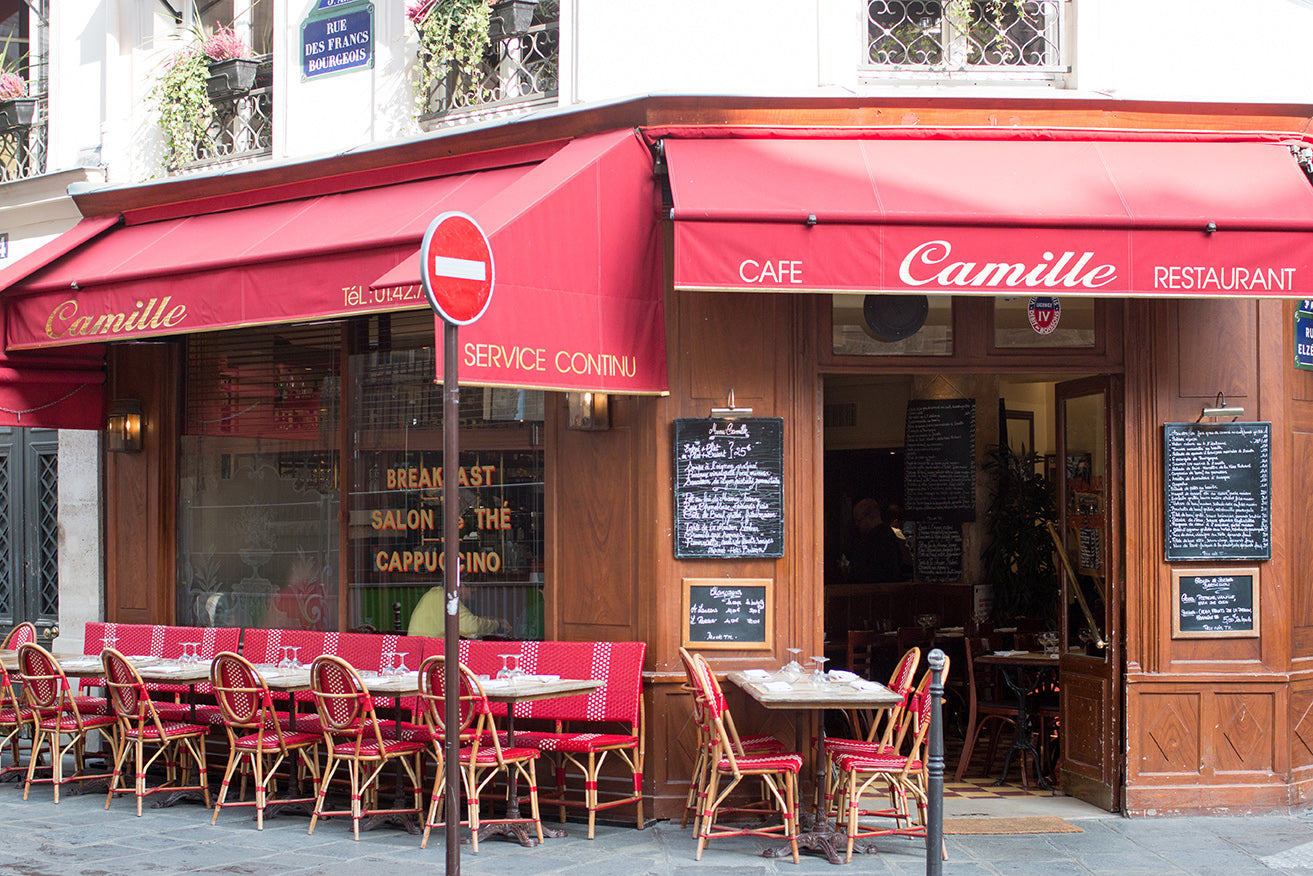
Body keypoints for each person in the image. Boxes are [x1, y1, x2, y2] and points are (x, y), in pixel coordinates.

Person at [407, 586, 510, 638]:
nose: (474, 592)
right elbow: (471, 628)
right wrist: (497, 624)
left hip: (418, 652)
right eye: (472, 589)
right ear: (460, 585)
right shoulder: (447, 598)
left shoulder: (434, 594)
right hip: (431, 656)